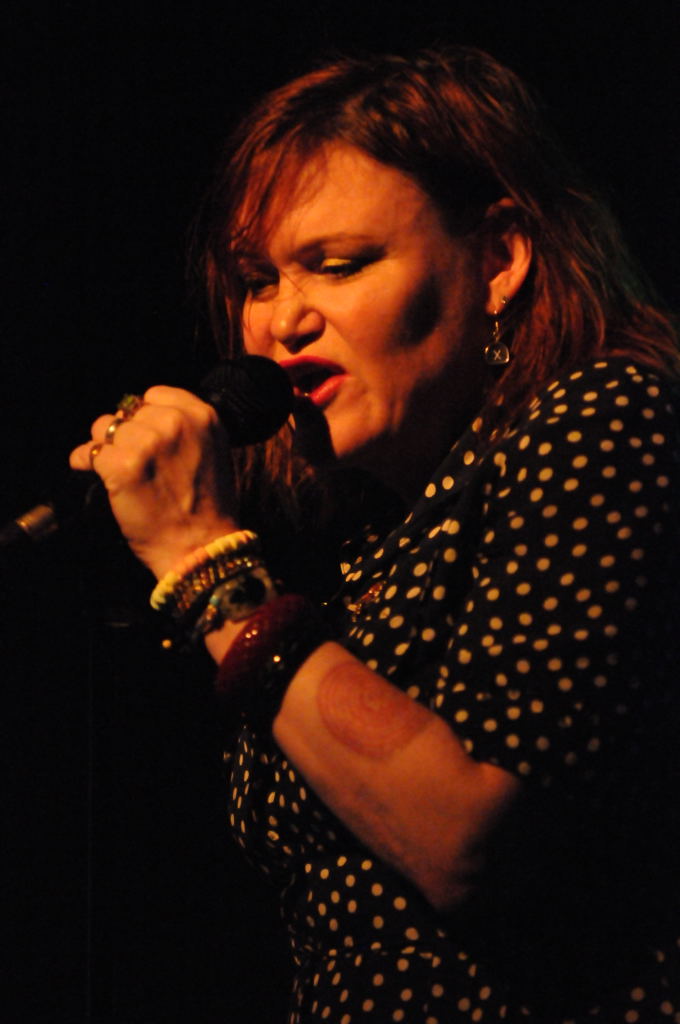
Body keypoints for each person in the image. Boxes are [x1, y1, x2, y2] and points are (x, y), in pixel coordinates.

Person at [70, 47, 680, 1023]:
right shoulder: (371, 539)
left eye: (338, 264)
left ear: (499, 259)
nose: (284, 320)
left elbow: (471, 837)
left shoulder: (604, 424)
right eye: (256, 280)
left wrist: (198, 558)